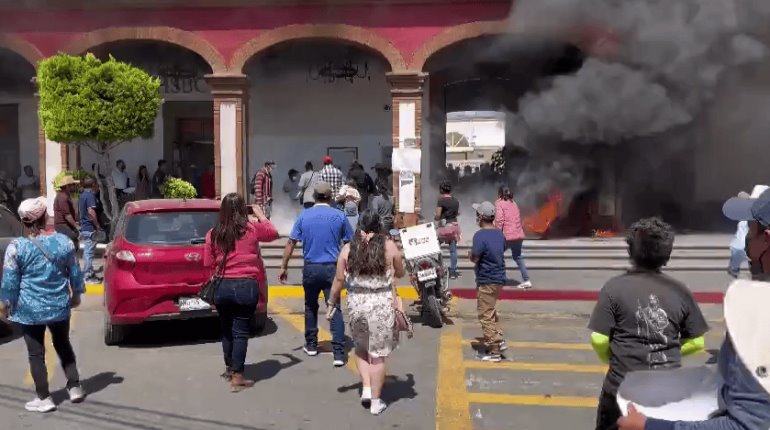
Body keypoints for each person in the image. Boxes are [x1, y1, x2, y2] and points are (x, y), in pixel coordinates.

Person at [617, 194, 770, 430]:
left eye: (750, 231)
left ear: (767, 239)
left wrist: (650, 427)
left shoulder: (761, 316)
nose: (746, 242)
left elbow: (750, 427)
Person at [589, 217, 710, 430]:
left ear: (630, 251)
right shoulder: (680, 291)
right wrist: (667, 352)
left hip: (621, 388)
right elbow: (698, 342)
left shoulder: (613, 288)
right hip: (667, 389)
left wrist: (612, 356)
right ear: (667, 254)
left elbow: (598, 339)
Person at [0, 197, 86, 412]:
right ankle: (75, 387)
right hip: (59, 305)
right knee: (63, 344)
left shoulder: (16, 248)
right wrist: (76, 294)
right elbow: (75, 271)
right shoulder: (64, 242)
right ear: (44, 217)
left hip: (29, 310)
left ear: (23, 221)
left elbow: (10, 281)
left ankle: (44, 398)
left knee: (36, 353)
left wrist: (4, 304)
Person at [326, 211, 406, 415]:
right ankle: (376, 402)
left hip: (357, 306)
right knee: (377, 355)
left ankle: (367, 389)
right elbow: (400, 272)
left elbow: (338, 280)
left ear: (359, 226)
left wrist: (331, 302)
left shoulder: (348, 249)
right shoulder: (388, 247)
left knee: (361, 349)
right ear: (379, 227)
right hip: (381, 305)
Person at [203, 193, 278, 392]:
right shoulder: (251, 229)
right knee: (240, 331)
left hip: (222, 286)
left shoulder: (213, 233)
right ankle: (237, 375)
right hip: (246, 285)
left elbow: (208, 263)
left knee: (226, 329)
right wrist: (261, 214)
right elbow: (272, 233)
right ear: (243, 210)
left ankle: (230, 368)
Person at [279, 182, 354, 367]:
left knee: (310, 306)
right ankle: (338, 353)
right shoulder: (339, 216)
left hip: (311, 268)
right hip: (332, 269)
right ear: (330, 197)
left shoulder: (304, 216)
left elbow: (291, 243)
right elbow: (350, 244)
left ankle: (311, 345)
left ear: (314, 197)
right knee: (334, 306)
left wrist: (283, 266)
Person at [470, 201, 508, 363]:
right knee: (491, 310)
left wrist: (470, 255)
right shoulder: (499, 234)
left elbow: (475, 257)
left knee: (485, 315)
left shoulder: (480, 236)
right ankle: (499, 339)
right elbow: (501, 249)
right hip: (499, 278)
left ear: (481, 217)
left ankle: (494, 351)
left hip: (487, 279)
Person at [495, 185, 532, 289]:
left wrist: (497, 233)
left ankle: (501, 278)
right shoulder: (514, 203)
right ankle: (527, 280)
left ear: (500, 194)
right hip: (518, 235)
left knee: (497, 254)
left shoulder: (499, 203)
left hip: (507, 236)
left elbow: (499, 220)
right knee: (518, 257)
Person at [79, 177, 103, 284]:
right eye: (96, 184)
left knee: (88, 252)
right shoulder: (90, 195)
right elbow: (91, 211)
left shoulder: (83, 195)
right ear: (93, 184)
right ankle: (87, 276)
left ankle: (89, 272)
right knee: (89, 253)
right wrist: (97, 226)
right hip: (90, 227)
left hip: (85, 227)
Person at [436, 180, 461, 279]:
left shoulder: (441, 200)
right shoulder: (456, 200)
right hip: (453, 227)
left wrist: (436, 217)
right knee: (453, 251)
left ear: (441, 190)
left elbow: (438, 215)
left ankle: (439, 268)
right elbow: (458, 212)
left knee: (436, 247)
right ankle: (453, 271)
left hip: (443, 228)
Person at [53, 175, 80, 252]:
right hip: (62, 225)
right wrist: (76, 226)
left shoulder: (64, 196)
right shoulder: (63, 197)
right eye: (73, 185)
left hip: (65, 225)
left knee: (73, 243)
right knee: (71, 246)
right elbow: (67, 215)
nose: (75, 187)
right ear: (68, 186)